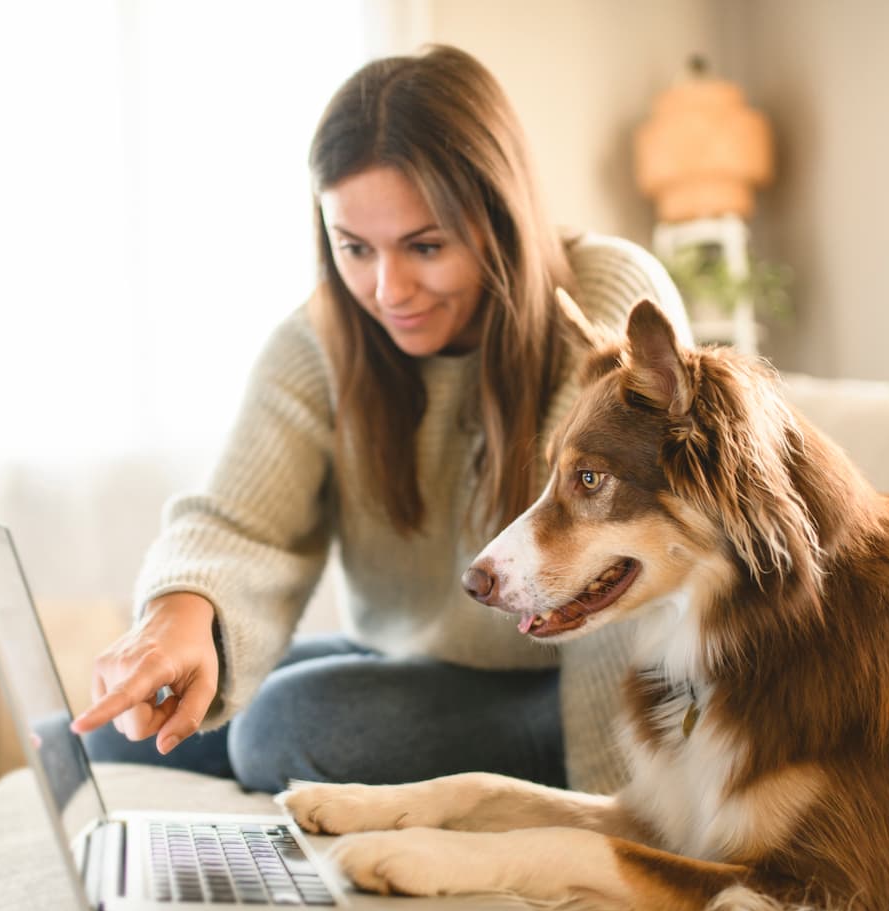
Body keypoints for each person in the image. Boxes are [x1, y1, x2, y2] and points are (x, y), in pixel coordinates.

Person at [70, 45, 690, 794]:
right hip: (416, 669)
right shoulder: (320, 337)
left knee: (286, 729)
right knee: (108, 731)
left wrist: (614, 817)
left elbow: (616, 572)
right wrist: (179, 612)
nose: (388, 289)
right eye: (354, 248)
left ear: (498, 221)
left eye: (425, 246)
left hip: (559, 682)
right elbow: (240, 523)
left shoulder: (605, 297)